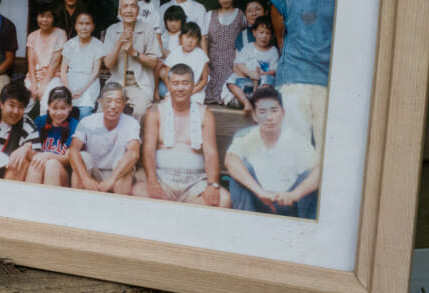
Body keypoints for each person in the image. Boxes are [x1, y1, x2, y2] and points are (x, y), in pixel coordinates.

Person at [133, 63, 231, 207]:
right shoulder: (155, 114)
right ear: (168, 86)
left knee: (223, 199)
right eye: (175, 83)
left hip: (196, 181)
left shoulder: (205, 115)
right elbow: (148, 150)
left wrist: (212, 184)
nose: (180, 88)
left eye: (185, 83)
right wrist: (152, 181)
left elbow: (211, 153)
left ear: (193, 86)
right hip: (162, 178)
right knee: (138, 191)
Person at [270, 0, 337, 147]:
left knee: (324, 145)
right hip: (293, 79)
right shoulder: (283, 0)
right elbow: (281, 40)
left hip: (326, 80)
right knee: (293, 144)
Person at [224, 86, 319, 218]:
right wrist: (260, 192)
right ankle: (244, 227)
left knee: (311, 174)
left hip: (290, 202)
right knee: (240, 170)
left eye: (274, 111)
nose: (269, 117)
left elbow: (319, 171)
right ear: (255, 116)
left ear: (283, 113)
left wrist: (295, 194)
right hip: (259, 200)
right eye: (262, 111)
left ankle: (305, 231)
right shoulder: (247, 137)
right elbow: (230, 160)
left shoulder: (296, 139)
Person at [65, 82, 143, 194]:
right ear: (101, 102)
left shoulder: (132, 123)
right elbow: (73, 150)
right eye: (108, 101)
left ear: (124, 103)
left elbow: (133, 153)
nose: (113, 106)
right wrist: (85, 178)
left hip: (117, 174)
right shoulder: (87, 122)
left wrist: (112, 180)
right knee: (81, 158)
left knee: (124, 164)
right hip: (93, 172)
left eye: (118, 101)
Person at [102, 0, 162, 120]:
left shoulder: (147, 29)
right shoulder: (112, 30)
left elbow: (154, 62)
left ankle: (134, 139)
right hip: (116, 82)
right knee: (103, 109)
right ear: (120, 11)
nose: (129, 10)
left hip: (139, 84)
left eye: (133, 6)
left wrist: (134, 52)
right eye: (125, 7)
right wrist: (119, 42)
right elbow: (107, 64)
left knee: (139, 111)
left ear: (138, 10)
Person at [8, 86, 79, 186]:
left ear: (70, 107)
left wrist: (48, 156)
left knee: (51, 165)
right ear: (48, 106)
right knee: (36, 164)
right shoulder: (40, 122)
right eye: (54, 108)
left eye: (63, 108)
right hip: (38, 167)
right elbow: (30, 151)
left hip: (61, 173)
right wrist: (36, 155)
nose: (58, 113)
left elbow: (68, 158)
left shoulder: (74, 125)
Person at [223, 15, 280, 116]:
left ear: (272, 35)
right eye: (261, 32)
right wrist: (250, 74)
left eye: (268, 33)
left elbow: (274, 70)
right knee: (231, 81)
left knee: (268, 79)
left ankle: (257, 104)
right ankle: (247, 103)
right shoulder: (248, 48)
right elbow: (239, 64)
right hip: (248, 81)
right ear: (254, 33)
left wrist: (263, 73)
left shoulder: (273, 50)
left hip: (262, 84)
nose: (264, 36)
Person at [203, 0, 247, 104]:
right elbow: (204, 39)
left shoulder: (240, 14)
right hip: (213, 64)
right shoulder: (209, 15)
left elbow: (245, 39)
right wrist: (205, 61)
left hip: (233, 64)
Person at [59, 11, 106, 119]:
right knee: (65, 112)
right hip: (70, 81)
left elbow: (95, 71)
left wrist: (82, 89)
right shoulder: (69, 44)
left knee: (84, 113)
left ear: (93, 26)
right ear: (75, 26)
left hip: (89, 83)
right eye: (81, 23)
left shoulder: (98, 45)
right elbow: (63, 70)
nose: (84, 27)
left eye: (87, 24)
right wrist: (68, 88)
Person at [23, 4, 67, 115]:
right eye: (42, 16)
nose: (45, 20)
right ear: (37, 17)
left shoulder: (60, 34)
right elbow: (31, 62)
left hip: (53, 76)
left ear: (53, 18)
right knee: (24, 102)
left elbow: (55, 62)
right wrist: (33, 84)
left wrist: (43, 85)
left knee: (46, 105)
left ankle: (44, 131)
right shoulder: (32, 36)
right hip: (34, 77)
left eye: (48, 16)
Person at [159, 21, 209, 106]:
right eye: (187, 37)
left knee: (195, 107)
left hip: (194, 91)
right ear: (180, 37)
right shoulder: (174, 53)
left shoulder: (201, 55)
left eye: (193, 38)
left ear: (198, 40)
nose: (190, 41)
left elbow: (204, 80)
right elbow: (167, 77)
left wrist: (191, 92)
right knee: (166, 104)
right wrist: (173, 91)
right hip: (175, 91)